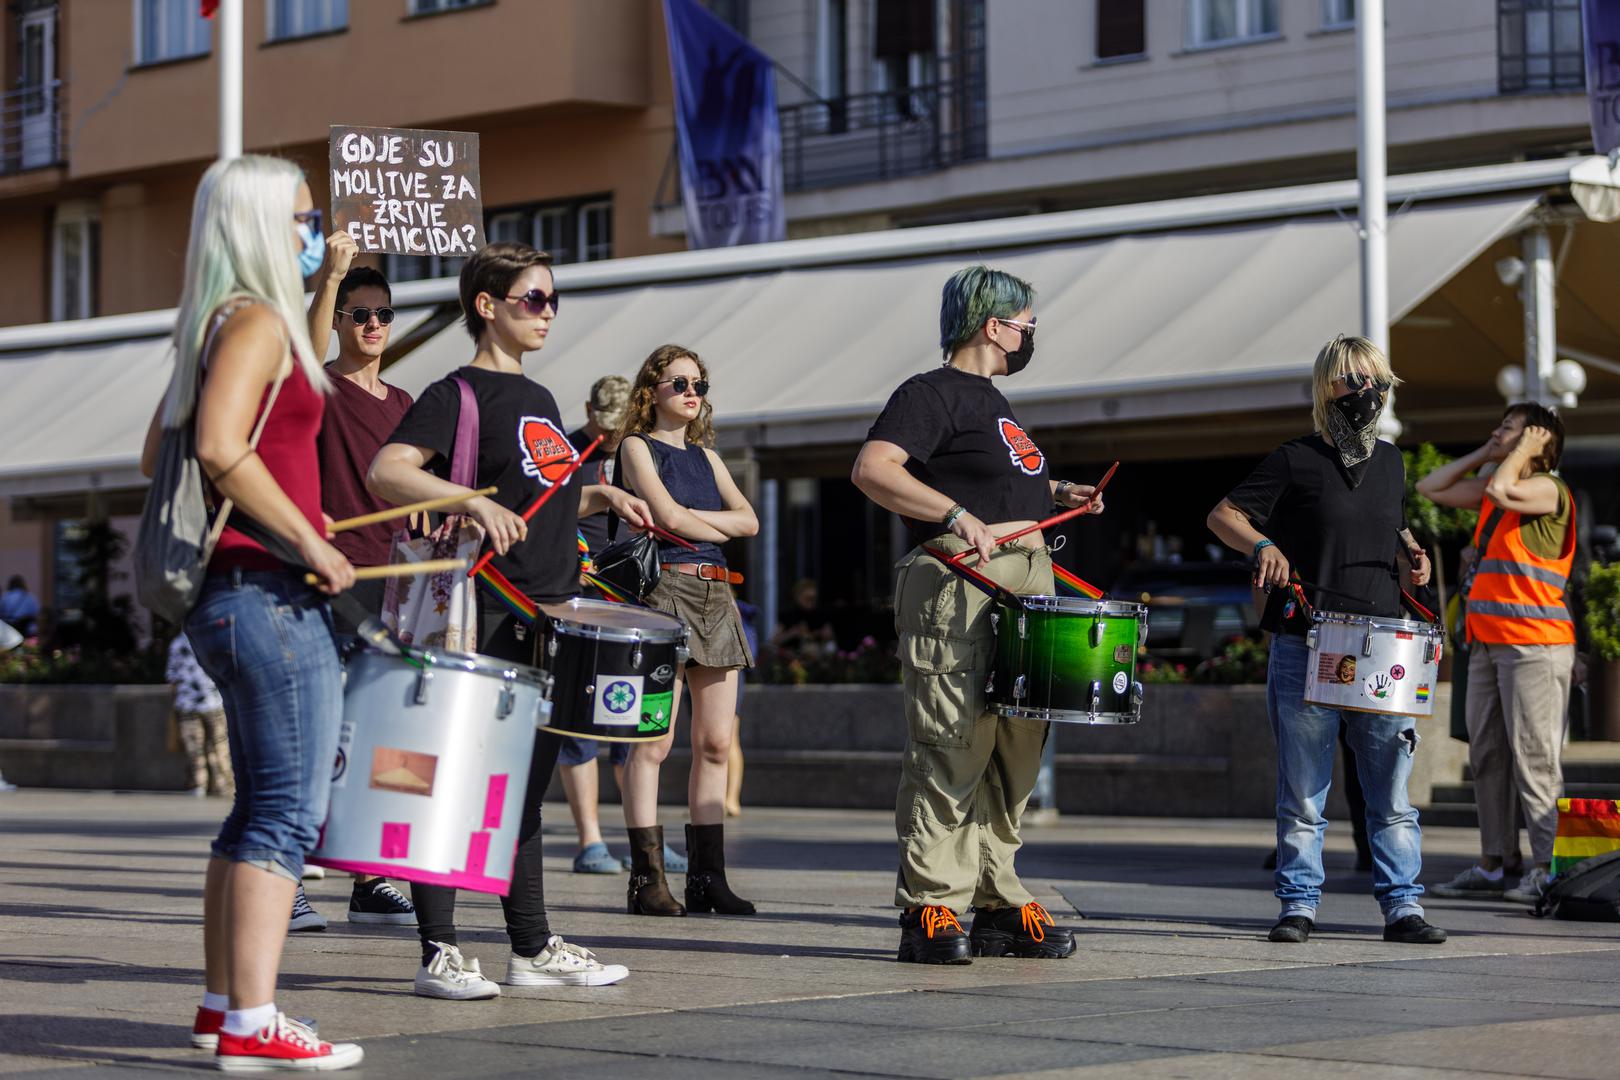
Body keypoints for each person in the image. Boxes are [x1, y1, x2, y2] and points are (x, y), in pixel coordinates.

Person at [368, 241, 648, 999]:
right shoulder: (455, 393)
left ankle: (530, 945)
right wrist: (472, 503)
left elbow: (539, 497)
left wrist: (599, 496)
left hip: (548, 614)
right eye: (534, 299)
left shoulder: (543, 400)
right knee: (455, 781)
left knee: (524, 789)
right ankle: (440, 952)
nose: (548, 312)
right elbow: (388, 468)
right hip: (482, 612)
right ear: (487, 306)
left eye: (554, 299)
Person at [139, 154, 363, 1069]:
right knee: (285, 813)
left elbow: (157, 446)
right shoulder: (257, 322)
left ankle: (223, 1005)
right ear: (266, 225)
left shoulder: (218, 325)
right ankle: (253, 1022)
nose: (316, 230)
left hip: (229, 597)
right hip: (266, 591)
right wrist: (309, 539)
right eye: (306, 217)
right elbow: (226, 449)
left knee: (253, 812)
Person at [851, 265, 1097, 964]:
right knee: (951, 746)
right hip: (959, 588)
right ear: (994, 326)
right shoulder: (930, 394)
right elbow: (875, 469)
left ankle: (995, 899)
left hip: (1022, 587)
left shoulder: (996, 404)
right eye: (1026, 323)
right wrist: (957, 516)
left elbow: (984, 474)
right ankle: (930, 906)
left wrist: (1055, 490)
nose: (1030, 335)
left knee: (1015, 752)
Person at [1206, 333, 1445, 947]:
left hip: (1383, 644)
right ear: (1326, 389)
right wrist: (1263, 544)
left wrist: (1411, 555)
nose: (1367, 391)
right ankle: (1298, 904)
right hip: (1307, 639)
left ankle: (1403, 906)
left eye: (1375, 378)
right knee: (1304, 791)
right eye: (1352, 379)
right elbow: (1223, 515)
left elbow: (1389, 530)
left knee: (1391, 792)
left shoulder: (1391, 461)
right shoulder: (1295, 458)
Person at [614, 344, 759, 917]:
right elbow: (666, 519)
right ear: (651, 390)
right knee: (654, 741)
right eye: (679, 382)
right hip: (665, 589)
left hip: (716, 589)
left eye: (698, 383)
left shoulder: (708, 457)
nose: (692, 392)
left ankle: (708, 878)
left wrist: (705, 527)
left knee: (717, 743)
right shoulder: (635, 447)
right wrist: (712, 526)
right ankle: (647, 878)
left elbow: (748, 521)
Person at [1416, 403, 1575, 906]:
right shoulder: (1494, 494)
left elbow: (1505, 488)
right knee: (1486, 755)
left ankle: (1547, 869)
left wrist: (1526, 450)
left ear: (1537, 438)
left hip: (1534, 645)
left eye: (1506, 427)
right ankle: (1494, 862)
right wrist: (1489, 450)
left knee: (1535, 759)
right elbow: (1430, 488)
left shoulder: (1551, 489)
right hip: (1486, 644)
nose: (1495, 431)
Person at [303, 259, 419, 929]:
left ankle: (371, 878)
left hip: (396, 585)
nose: (374, 325)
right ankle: (289, 873)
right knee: (321, 737)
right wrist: (331, 278)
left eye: (384, 314)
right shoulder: (317, 388)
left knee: (382, 739)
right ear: (340, 321)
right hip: (333, 578)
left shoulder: (405, 405)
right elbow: (304, 358)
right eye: (360, 314)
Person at [560, 375, 668, 875]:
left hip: (630, 593)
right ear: (588, 411)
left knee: (632, 719)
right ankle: (590, 840)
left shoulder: (637, 450)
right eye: (602, 426)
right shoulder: (563, 450)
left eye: (617, 428)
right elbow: (548, 515)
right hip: (579, 592)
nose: (608, 436)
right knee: (580, 722)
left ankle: (642, 836)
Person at [166, 632, 234, 798]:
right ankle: (222, 784)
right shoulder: (212, 638)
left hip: (187, 703)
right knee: (219, 746)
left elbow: (172, 677)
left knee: (194, 748)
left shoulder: (177, 643)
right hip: (214, 701)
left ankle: (199, 784)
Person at [726, 599, 761, 818]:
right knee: (707, 739)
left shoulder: (729, 604)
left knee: (728, 739)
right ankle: (717, 798)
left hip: (728, 667)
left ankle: (731, 798)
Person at [0, 575, 40, 639]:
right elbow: (36, 612)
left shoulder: (5, 596)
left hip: (9, 628)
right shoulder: (30, 597)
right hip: (25, 629)